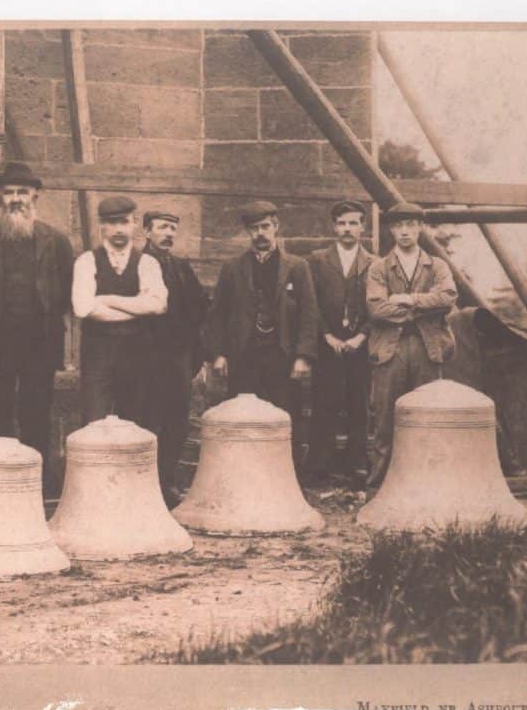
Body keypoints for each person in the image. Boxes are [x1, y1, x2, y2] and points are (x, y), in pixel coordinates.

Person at [0, 162, 74, 494]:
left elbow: (65, 291)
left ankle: (36, 482)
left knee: (38, 410)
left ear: (36, 194)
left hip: (40, 340)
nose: (16, 199)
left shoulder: (56, 241)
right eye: (9, 192)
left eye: (22, 192)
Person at [204, 200, 318, 465]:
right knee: (242, 417)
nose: (260, 234)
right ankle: (242, 473)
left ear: (276, 227)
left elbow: (309, 313)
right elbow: (217, 314)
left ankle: (287, 476)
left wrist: (303, 356)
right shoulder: (232, 268)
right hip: (244, 356)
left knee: (285, 415)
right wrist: (218, 354)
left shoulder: (297, 266)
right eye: (254, 228)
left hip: (282, 355)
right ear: (247, 232)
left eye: (265, 226)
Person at [365, 201, 458, 486]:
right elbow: (376, 308)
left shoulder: (437, 265)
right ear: (392, 230)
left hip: (427, 348)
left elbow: (448, 298)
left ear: (420, 228)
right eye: (398, 226)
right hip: (389, 351)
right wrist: (423, 307)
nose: (404, 232)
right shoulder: (379, 267)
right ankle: (380, 486)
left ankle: (428, 484)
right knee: (385, 420)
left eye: (410, 225)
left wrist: (407, 299)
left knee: (427, 415)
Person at [71, 196, 168, 426]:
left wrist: (107, 299)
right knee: (93, 422)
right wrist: (137, 307)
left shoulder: (148, 263)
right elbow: (83, 307)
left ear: (134, 223)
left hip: (138, 353)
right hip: (98, 355)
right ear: (101, 226)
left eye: (123, 222)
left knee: (136, 422)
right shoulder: (86, 261)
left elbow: (157, 305)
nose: (118, 229)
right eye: (111, 223)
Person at [305, 199, 378, 481]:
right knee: (324, 402)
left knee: (359, 404)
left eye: (353, 223)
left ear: (363, 227)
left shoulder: (375, 263)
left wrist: (362, 335)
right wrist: (326, 335)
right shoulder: (317, 260)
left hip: (361, 345)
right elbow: (310, 302)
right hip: (328, 344)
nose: (347, 229)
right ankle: (318, 465)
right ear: (334, 227)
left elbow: (379, 304)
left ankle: (357, 462)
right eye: (342, 223)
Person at [141, 210, 210, 507]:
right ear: (146, 232)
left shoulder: (181, 267)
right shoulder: (136, 265)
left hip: (177, 358)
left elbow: (200, 309)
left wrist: (196, 353)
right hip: (144, 359)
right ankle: (143, 486)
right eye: (162, 228)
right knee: (146, 420)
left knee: (177, 422)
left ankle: (165, 481)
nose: (168, 234)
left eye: (172, 228)